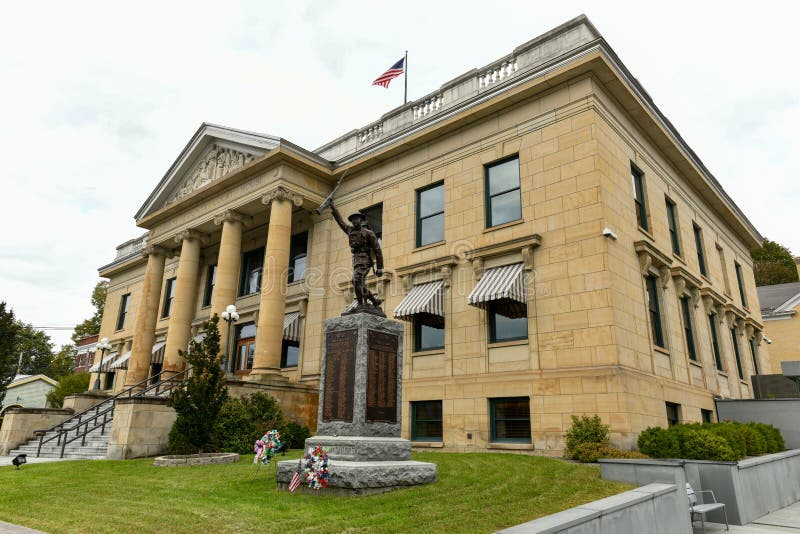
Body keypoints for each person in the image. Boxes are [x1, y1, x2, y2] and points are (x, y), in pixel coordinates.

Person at [329, 202, 384, 309]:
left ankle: (360, 304)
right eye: (353, 219)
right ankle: (374, 301)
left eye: (356, 218)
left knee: (356, 280)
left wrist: (380, 267)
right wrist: (333, 207)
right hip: (356, 261)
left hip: (366, 260)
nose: (354, 221)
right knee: (358, 283)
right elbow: (340, 221)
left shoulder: (369, 233)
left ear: (361, 220)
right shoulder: (349, 231)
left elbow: (377, 250)